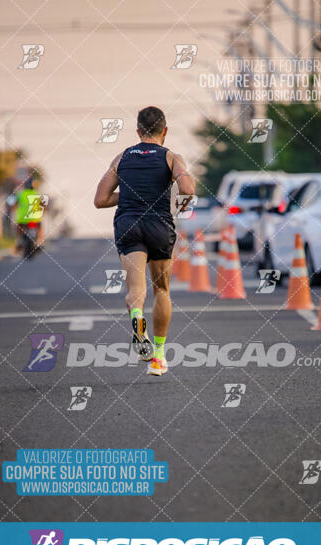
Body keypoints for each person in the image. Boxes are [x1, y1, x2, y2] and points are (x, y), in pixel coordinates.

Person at [94, 106, 195, 376]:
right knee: (161, 290)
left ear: (138, 131)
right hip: (159, 226)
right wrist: (167, 197)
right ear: (165, 131)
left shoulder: (122, 157)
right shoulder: (171, 156)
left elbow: (100, 199)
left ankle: (138, 322)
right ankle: (159, 357)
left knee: (134, 291)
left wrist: (130, 195)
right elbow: (187, 189)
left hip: (128, 225)